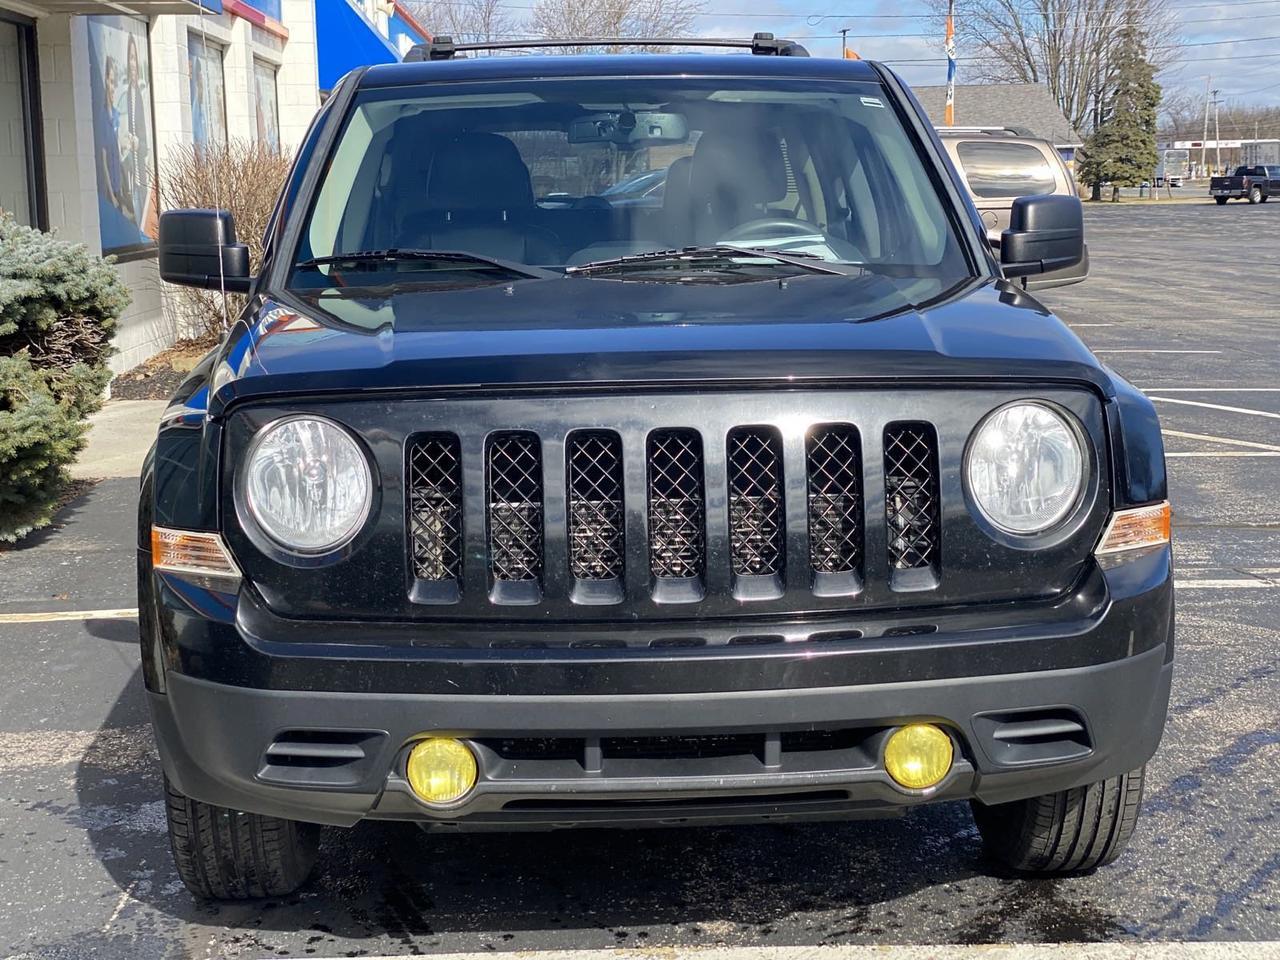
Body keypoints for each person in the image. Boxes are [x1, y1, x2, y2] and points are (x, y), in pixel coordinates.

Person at [94, 55, 132, 223]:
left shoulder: (116, 115)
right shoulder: (102, 118)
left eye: (114, 83)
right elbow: (103, 163)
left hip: (119, 185)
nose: (113, 88)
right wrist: (112, 196)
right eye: (110, 82)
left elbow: (118, 150)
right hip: (110, 191)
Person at [122, 34, 150, 232]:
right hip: (130, 175)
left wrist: (138, 143)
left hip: (142, 173)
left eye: (135, 58)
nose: (133, 63)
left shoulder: (143, 94)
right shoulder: (126, 95)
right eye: (130, 58)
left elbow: (148, 144)